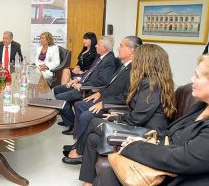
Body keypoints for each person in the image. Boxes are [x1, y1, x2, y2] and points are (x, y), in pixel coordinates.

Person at [67, 44, 176, 186]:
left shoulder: (151, 84)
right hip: (140, 127)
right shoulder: (150, 82)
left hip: (148, 134)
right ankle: (88, 182)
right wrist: (116, 117)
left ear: (146, 61)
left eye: (138, 57)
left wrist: (115, 118)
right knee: (93, 138)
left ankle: (79, 151)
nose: (135, 60)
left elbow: (138, 117)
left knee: (94, 122)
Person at [95, 54, 209, 186]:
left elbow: (183, 158)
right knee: (106, 175)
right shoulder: (200, 106)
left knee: (106, 179)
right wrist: (144, 140)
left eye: (197, 76)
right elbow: (170, 134)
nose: (191, 79)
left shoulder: (151, 84)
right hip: (166, 161)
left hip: (178, 176)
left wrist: (134, 147)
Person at [61, 36, 142, 146]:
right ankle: (79, 143)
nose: (118, 48)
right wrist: (99, 93)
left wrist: (104, 103)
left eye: (121, 46)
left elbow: (126, 96)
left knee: (85, 115)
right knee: (79, 105)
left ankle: (80, 149)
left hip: (113, 104)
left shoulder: (134, 70)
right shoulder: (124, 65)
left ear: (131, 50)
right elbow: (110, 85)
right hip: (105, 97)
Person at [54, 36, 117, 134]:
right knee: (57, 89)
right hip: (81, 83)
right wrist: (76, 79)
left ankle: (72, 125)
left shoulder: (109, 61)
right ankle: (68, 120)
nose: (95, 46)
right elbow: (89, 73)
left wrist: (82, 85)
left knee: (59, 98)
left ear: (104, 48)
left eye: (98, 44)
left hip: (87, 89)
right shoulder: (100, 57)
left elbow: (103, 81)